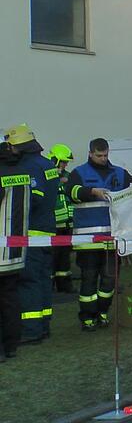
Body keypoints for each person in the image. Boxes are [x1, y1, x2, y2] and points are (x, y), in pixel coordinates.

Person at [65, 138, 132, 331]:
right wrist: (92, 191)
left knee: (109, 279)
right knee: (89, 279)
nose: (102, 158)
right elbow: (71, 192)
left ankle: (102, 312)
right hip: (88, 240)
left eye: (105, 155)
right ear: (90, 153)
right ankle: (87, 317)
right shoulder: (79, 173)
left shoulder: (118, 172)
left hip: (112, 238)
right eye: (99, 155)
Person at [4, 124, 59, 344]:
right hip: (48, 232)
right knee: (44, 279)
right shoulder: (47, 164)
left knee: (29, 281)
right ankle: (44, 325)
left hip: (31, 232)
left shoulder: (28, 167)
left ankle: (31, 329)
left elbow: (32, 198)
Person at [0, 142, 30, 362]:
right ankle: (11, 346)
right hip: (16, 249)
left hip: (0, 249)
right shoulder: (22, 173)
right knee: (10, 298)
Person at [48, 144, 76, 293]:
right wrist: (58, 181)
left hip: (67, 223)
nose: (65, 165)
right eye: (63, 162)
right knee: (52, 257)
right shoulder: (47, 175)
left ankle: (65, 285)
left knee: (65, 256)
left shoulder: (68, 175)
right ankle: (49, 286)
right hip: (53, 225)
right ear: (55, 160)